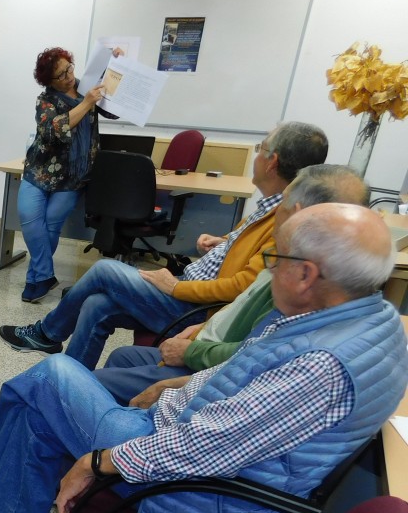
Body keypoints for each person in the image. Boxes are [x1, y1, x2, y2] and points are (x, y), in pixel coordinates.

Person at [0, 203, 407, 513]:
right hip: (183, 436)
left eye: (276, 260)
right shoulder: (366, 321)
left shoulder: (321, 367)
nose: (267, 271)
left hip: (189, 483)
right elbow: (248, 385)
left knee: (52, 375)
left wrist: (98, 462)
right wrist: (180, 382)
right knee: (41, 410)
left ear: (307, 274)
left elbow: (205, 447)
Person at [0, 121, 330, 369]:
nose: (256, 155)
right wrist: (225, 241)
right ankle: (66, 378)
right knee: (96, 305)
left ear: (272, 162)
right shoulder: (272, 205)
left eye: (261, 148)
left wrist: (174, 287)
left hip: (192, 307)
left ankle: (46, 333)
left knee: (103, 270)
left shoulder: (283, 219)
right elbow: (250, 253)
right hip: (187, 292)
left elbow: (242, 287)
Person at [94, 164, 371, 405]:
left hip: (207, 365)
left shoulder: (297, 283)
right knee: (116, 348)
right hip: (206, 340)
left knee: (74, 375)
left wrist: (191, 351)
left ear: (297, 213)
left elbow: (252, 358)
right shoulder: (300, 261)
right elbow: (244, 311)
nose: (274, 213)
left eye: (282, 204)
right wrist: (202, 328)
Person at [17, 46, 112, 304]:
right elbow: (54, 130)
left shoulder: (89, 88)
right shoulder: (45, 101)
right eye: (60, 75)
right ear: (49, 81)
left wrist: (118, 66)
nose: (69, 76)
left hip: (73, 174)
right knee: (28, 217)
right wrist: (86, 103)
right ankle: (44, 275)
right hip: (39, 168)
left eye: (69, 68)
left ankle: (36, 279)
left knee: (51, 225)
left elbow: (115, 109)